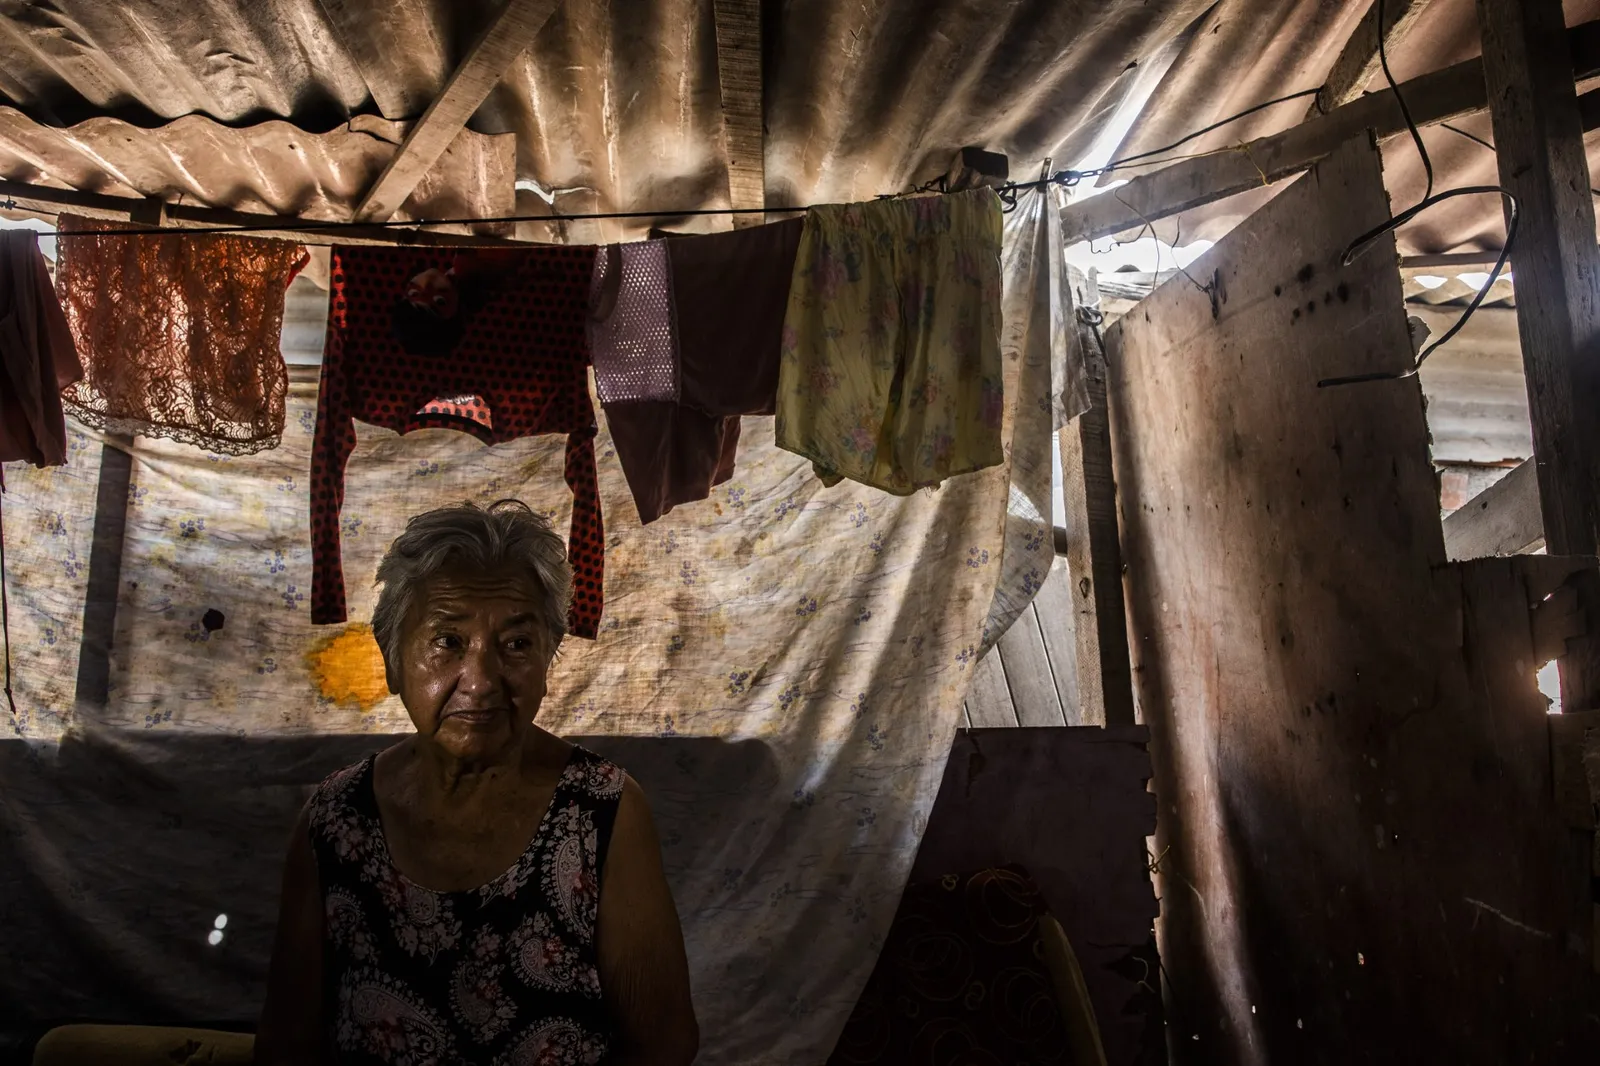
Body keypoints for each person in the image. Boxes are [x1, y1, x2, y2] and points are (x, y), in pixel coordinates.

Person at [256, 501, 698, 1065]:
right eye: (448, 642)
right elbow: (285, 1046)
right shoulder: (335, 821)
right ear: (392, 661)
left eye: (516, 644)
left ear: (547, 660)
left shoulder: (603, 811)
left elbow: (664, 1046)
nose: (482, 681)